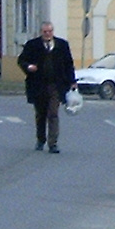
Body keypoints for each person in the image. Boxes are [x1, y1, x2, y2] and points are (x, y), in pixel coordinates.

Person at [17, 21, 76, 153]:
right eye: (45, 32)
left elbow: (68, 64)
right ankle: (40, 140)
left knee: (53, 113)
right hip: (38, 85)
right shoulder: (32, 45)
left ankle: (53, 143)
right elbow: (21, 60)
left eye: (50, 31)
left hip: (56, 85)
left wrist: (72, 81)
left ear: (53, 32)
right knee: (41, 114)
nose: (47, 34)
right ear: (41, 32)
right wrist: (28, 67)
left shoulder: (62, 45)